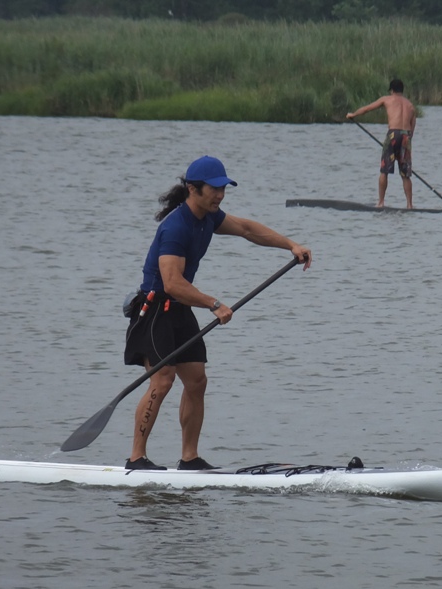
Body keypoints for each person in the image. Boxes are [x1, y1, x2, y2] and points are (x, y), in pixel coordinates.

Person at [123, 155, 312, 471]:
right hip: (155, 311)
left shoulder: (209, 217)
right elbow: (172, 283)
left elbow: (247, 229)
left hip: (180, 308)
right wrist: (213, 304)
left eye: (224, 189)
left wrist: (290, 245)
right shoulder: (175, 227)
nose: (220, 195)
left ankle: (189, 458)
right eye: (214, 189)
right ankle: (136, 458)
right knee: (163, 381)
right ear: (193, 189)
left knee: (197, 381)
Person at [347, 79, 417, 209]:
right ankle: (409, 205)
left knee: (384, 170)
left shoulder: (387, 99)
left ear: (392, 90)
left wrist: (353, 114)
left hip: (393, 134)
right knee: (405, 174)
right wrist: (407, 140)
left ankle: (381, 202)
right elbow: (413, 125)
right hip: (406, 136)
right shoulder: (410, 105)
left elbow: (367, 109)